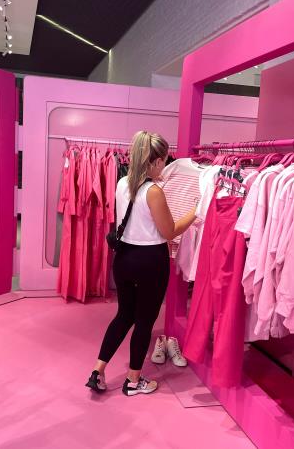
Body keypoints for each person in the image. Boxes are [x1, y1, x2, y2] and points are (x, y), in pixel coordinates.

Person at [86, 131, 197, 396]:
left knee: (124, 315)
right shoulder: (154, 191)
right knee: (144, 320)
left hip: (124, 258)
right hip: (150, 261)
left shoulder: (123, 183)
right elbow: (170, 231)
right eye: (165, 161)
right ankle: (134, 381)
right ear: (157, 161)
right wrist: (196, 211)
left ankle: (98, 370)